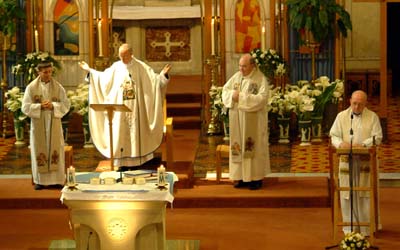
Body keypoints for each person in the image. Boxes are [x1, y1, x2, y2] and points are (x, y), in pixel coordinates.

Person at [78, 43, 172, 168]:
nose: (122, 59)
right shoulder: (115, 67)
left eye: (125, 56)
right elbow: (102, 79)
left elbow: (153, 82)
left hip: (136, 109)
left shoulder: (141, 67)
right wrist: (90, 71)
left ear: (131, 54)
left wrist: (162, 75)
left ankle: (139, 160)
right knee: (120, 133)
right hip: (120, 110)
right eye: (120, 56)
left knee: (136, 132)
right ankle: (121, 162)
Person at [329, 90, 383, 236]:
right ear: (350, 101)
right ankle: (350, 228)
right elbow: (333, 135)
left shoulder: (372, 117)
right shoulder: (341, 117)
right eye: (354, 103)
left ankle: (366, 228)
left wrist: (364, 145)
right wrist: (340, 144)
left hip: (366, 161)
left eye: (360, 104)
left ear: (365, 103)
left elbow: (377, 137)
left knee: (365, 193)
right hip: (347, 160)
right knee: (348, 193)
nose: (357, 107)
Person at [222, 53, 270, 190]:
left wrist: (241, 98)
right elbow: (225, 90)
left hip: (253, 123)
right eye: (240, 66)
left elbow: (262, 99)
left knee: (252, 147)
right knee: (239, 146)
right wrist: (232, 95)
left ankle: (256, 178)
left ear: (252, 65)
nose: (241, 69)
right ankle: (241, 177)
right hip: (237, 120)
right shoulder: (237, 77)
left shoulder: (260, 79)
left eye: (244, 66)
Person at [22, 61, 71, 190]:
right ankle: (40, 181)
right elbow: (25, 107)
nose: (48, 74)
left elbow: (66, 105)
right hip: (39, 123)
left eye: (50, 72)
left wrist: (53, 106)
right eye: (45, 72)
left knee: (56, 149)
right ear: (39, 72)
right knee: (39, 149)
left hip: (54, 122)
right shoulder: (31, 88)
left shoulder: (58, 87)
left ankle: (57, 180)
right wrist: (39, 106)